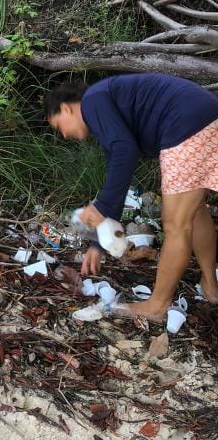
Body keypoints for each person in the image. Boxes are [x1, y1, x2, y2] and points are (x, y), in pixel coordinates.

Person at [46, 74, 218, 320]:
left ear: (66, 108)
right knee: (195, 210)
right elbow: (119, 172)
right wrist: (98, 242)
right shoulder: (104, 104)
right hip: (206, 114)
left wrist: (101, 207)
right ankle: (211, 287)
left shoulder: (93, 102)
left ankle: (157, 306)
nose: (63, 134)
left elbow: (125, 151)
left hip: (186, 123)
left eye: (58, 125)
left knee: (176, 224)